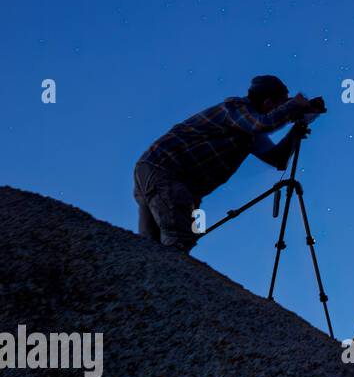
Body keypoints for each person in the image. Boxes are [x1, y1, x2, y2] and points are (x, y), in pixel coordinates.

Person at [133, 75, 320, 252]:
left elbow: (277, 159)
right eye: (280, 105)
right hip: (165, 170)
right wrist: (294, 106)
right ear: (268, 102)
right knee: (179, 239)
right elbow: (261, 124)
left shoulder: (248, 132)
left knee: (151, 247)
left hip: (167, 175)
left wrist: (296, 130)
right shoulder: (235, 108)